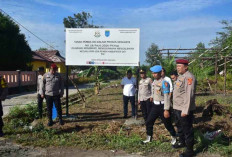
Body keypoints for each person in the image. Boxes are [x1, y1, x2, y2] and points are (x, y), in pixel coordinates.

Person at [143, 65, 176, 145]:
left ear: (160, 73)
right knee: (149, 121)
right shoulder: (154, 82)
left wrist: (166, 109)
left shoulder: (164, 83)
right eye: (152, 73)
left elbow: (167, 97)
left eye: (155, 73)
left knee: (167, 124)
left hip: (163, 106)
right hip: (155, 106)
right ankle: (149, 137)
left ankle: (174, 137)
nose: (153, 75)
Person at [172, 59, 196, 157]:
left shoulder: (189, 77)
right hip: (177, 107)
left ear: (186, 67)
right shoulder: (181, 77)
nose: (177, 68)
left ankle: (190, 151)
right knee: (180, 127)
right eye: (177, 66)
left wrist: (185, 110)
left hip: (184, 109)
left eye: (179, 66)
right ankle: (182, 142)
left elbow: (189, 95)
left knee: (187, 130)